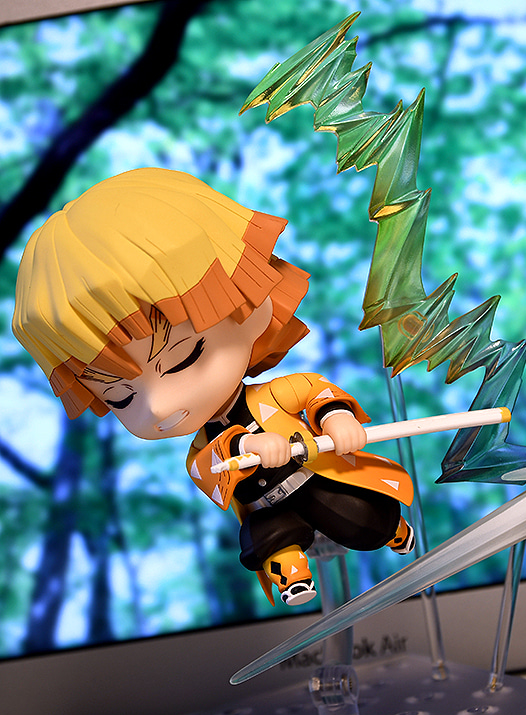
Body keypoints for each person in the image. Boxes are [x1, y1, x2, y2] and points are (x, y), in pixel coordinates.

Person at [12, 168, 414, 606]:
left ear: (253, 306)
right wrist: (244, 446)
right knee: (266, 537)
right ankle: (292, 577)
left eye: (183, 357)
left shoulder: (271, 397)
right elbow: (207, 469)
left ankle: (393, 529)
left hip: (314, 477)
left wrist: (337, 419)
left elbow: (315, 391)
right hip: (265, 505)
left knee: (357, 516)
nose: (158, 407)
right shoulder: (202, 447)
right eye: (120, 397)